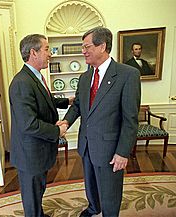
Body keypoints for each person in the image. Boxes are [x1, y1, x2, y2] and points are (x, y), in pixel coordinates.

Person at [57, 27, 141, 217]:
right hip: (86, 144)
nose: (83, 51)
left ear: (102, 46)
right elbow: (77, 105)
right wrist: (65, 123)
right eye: (82, 47)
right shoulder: (85, 77)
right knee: (91, 185)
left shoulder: (128, 74)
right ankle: (94, 208)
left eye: (87, 46)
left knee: (110, 192)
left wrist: (123, 152)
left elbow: (130, 119)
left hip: (111, 149)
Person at [9, 34, 72, 217]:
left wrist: (67, 101)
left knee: (37, 192)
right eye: (46, 49)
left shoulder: (34, 77)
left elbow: (45, 100)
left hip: (38, 150)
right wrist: (57, 130)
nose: (50, 53)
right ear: (33, 52)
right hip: (30, 154)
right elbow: (28, 124)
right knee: (31, 197)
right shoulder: (22, 82)